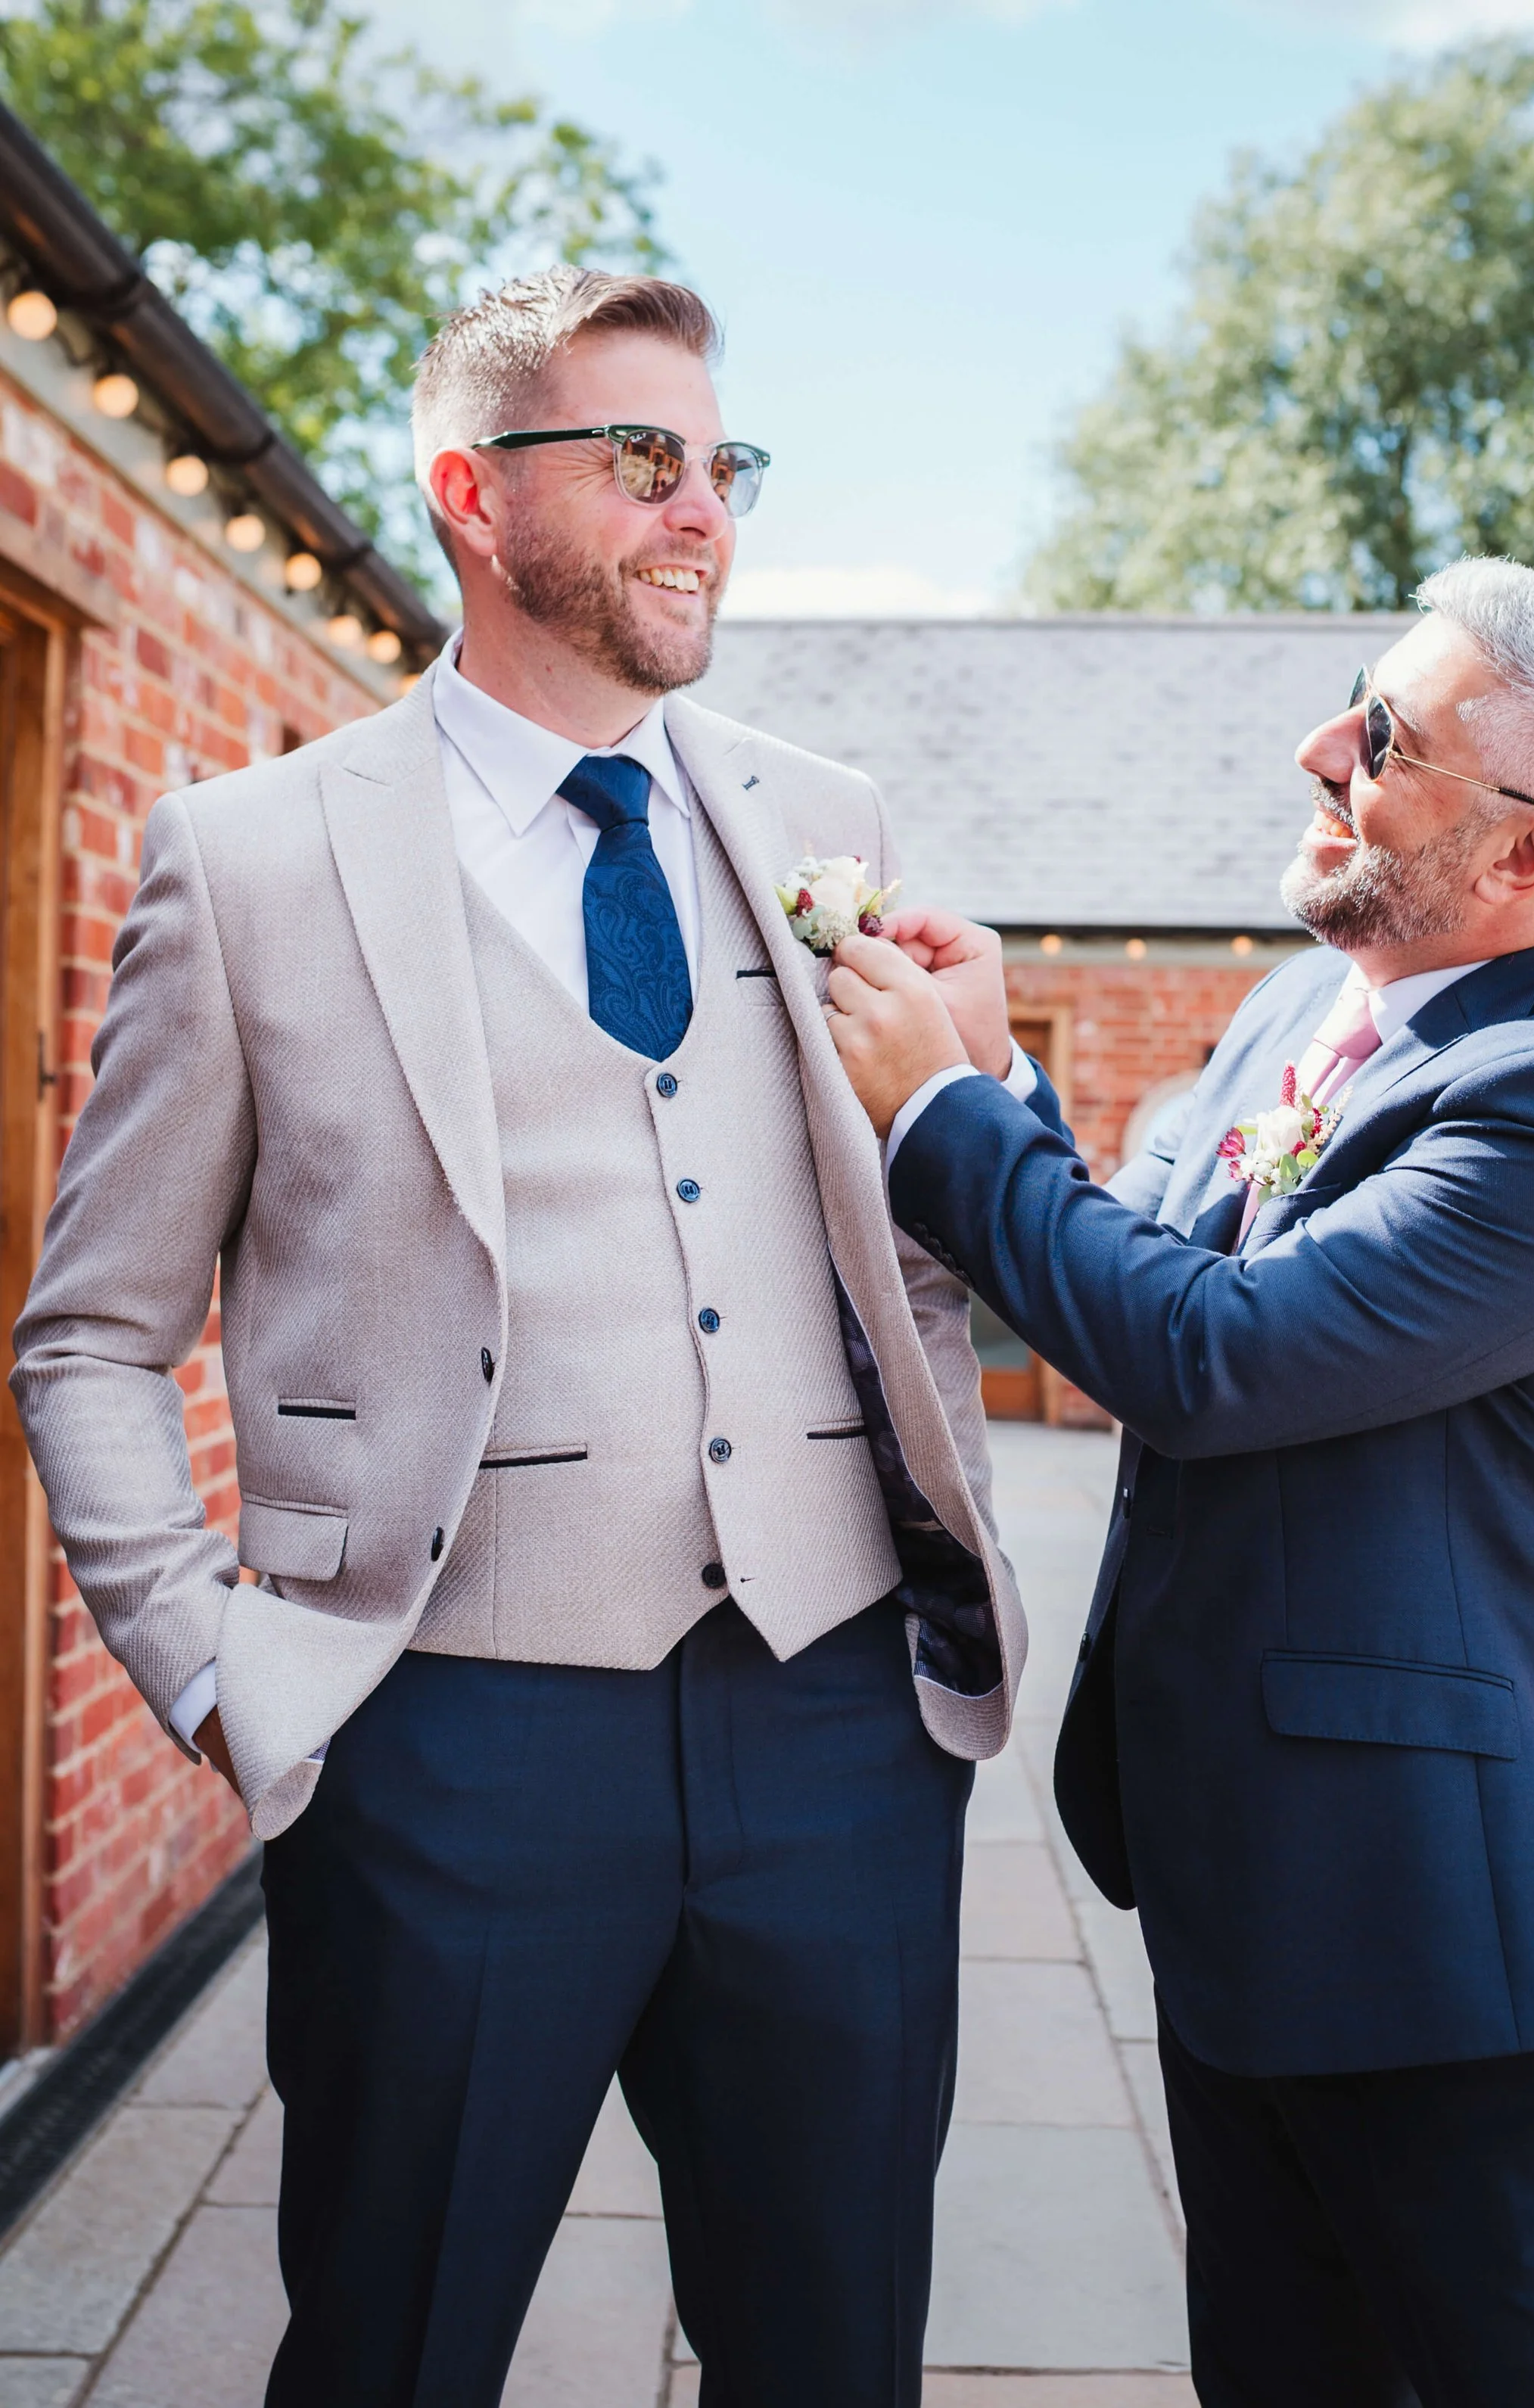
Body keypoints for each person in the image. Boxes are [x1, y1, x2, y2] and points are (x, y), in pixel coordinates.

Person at [11, 266, 1031, 2408]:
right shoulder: (253, 859)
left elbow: (931, 1238)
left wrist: (989, 1096)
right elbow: (89, 1339)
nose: (701, 510)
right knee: (393, 2342)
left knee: (834, 2348)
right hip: (446, 1736)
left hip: (833, 1718)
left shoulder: (820, 817)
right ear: (476, 496)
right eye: (639, 456)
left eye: (720, 462)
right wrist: (218, 1669)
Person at [824, 558, 1534, 2407]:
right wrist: (995, 1062)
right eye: (1351, 693)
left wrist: (937, 1112)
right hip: (1262, 1896)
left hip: (1476, 1954)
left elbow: (1210, 1359)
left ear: (1520, 858)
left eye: (1382, 737)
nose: (1316, 745)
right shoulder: (1298, 1008)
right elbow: (1146, 1258)